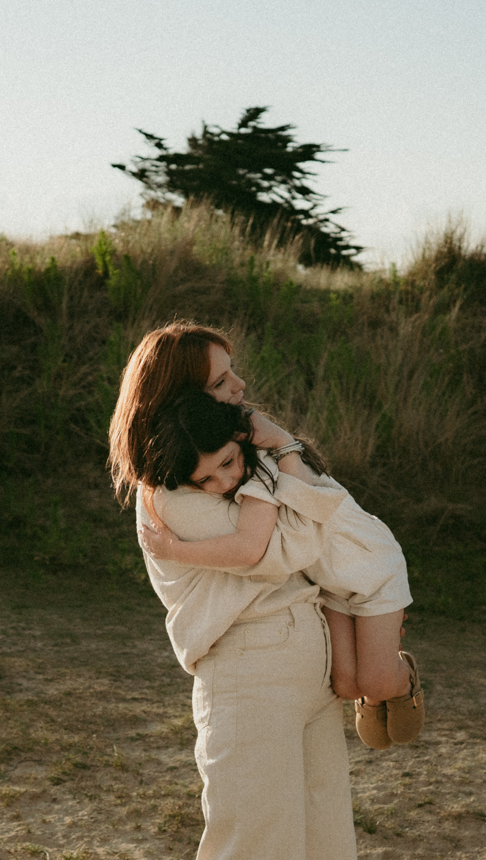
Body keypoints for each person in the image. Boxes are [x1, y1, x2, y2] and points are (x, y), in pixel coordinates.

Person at [107, 323, 357, 859]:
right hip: (251, 671)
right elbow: (288, 548)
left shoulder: (233, 460)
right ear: (184, 398)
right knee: (254, 846)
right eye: (222, 381)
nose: (239, 386)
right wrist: (295, 471)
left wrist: (288, 464)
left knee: (325, 844)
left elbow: (313, 515)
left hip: (304, 661)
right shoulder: (173, 490)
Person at [138, 388, 423, 752]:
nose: (223, 483)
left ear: (239, 441)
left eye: (226, 464)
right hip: (330, 584)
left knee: (378, 682)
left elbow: (249, 548)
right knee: (348, 686)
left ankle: (401, 679)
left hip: (372, 567)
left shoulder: (263, 472)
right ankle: (375, 684)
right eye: (205, 480)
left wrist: (174, 550)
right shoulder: (240, 479)